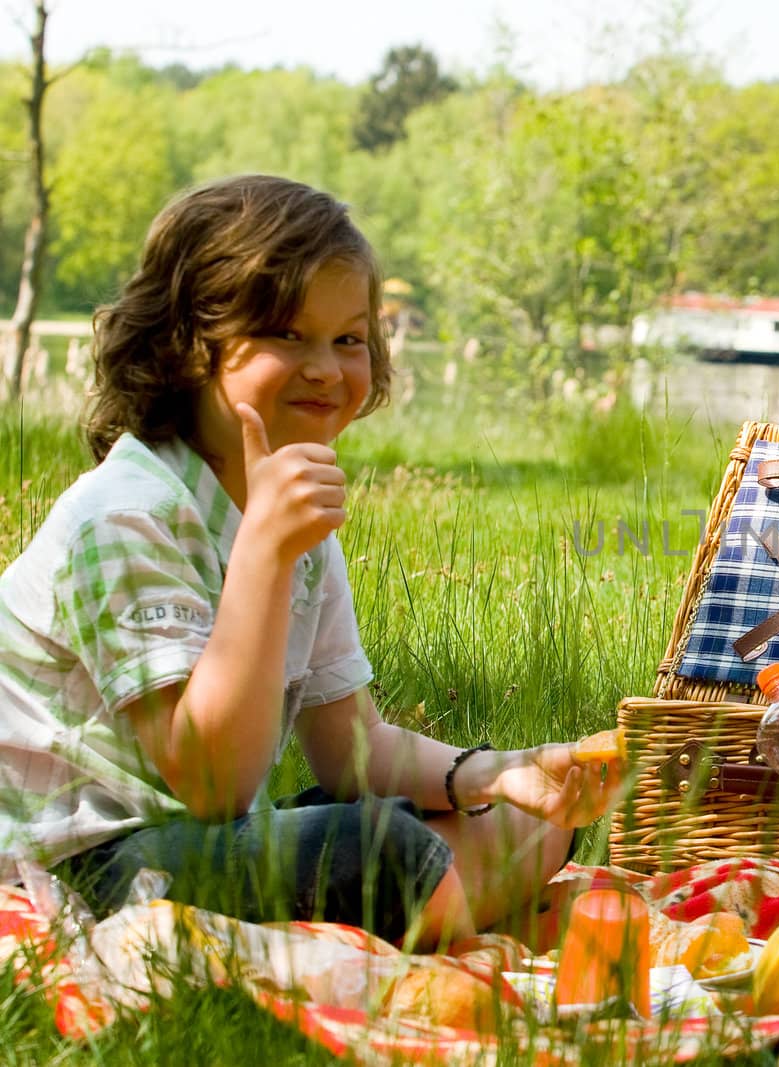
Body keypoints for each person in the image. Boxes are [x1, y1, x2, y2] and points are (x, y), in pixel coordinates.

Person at [0, 175, 627, 950]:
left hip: (217, 840)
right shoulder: (126, 513)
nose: (326, 369)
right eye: (286, 334)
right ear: (187, 347)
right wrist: (263, 549)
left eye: (348, 339)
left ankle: (411, 913)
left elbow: (350, 746)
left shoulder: (291, 519)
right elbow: (210, 782)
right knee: (391, 855)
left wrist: (493, 773)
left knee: (528, 829)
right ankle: (433, 931)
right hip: (92, 865)